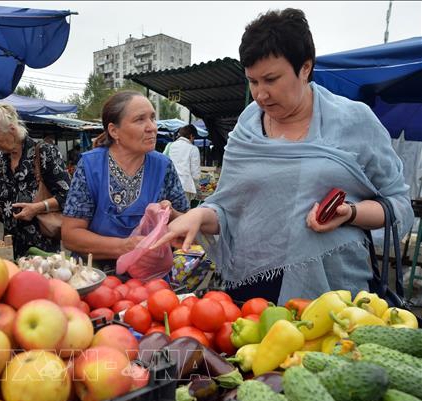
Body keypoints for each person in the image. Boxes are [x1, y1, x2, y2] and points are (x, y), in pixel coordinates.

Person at [153, 8, 414, 303]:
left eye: (271, 79)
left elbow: (398, 204)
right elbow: (230, 210)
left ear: (305, 68)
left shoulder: (354, 120)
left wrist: (350, 214)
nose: (260, 94)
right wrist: (198, 215)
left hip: (332, 292)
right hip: (251, 289)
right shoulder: (248, 126)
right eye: (253, 81)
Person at [62, 90, 189, 269]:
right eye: (140, 119)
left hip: (150, 280)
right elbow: (70, 235)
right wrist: (124, 247)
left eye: (152, 118)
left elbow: (185, 225)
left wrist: (171, 215)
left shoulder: (164, 166)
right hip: (95, 277)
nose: (152, 127)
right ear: (114, 131)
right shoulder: (91, 165)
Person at [0, 103, 71, 258]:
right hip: (10, 243)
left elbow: (68, 196)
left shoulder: (44, 152)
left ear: (12, 130)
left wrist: (36, 208)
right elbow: (6, 199)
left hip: (41, 245)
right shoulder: (0, 157)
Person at [166, 124, 201, 202]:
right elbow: (195, 173)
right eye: (194, 138)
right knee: (183, 213)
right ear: (191, 136)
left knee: (171, 212)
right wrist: (197, 186)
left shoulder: (172, 146)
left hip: (171, 184)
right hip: (185, 186)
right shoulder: (193, 149)